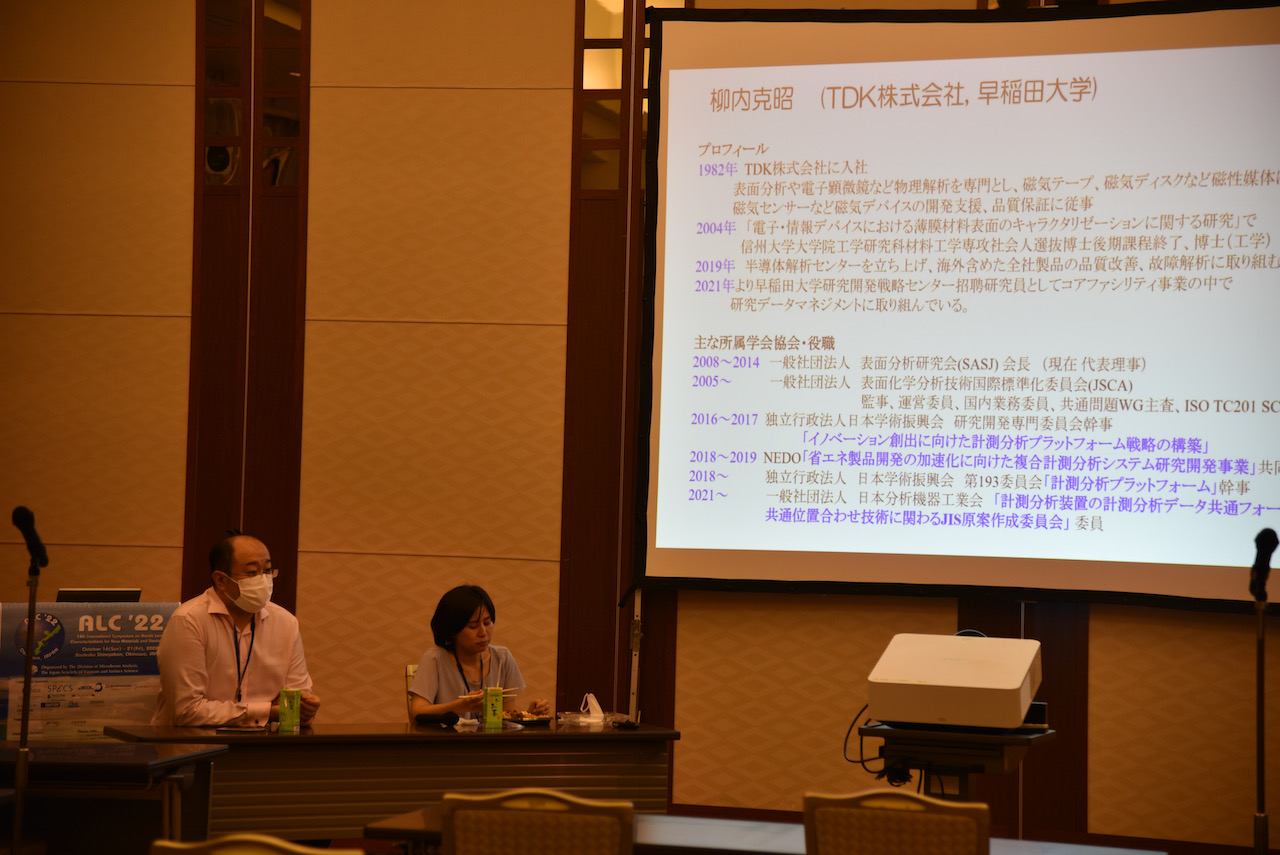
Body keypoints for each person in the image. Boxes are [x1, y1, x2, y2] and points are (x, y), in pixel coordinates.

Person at [152, 532, 321, 727]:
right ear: (221, 580)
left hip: (261, 742)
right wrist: (268, 712)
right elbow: (187, 710)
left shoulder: (286, 623)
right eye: (252, 573)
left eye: (267, 571)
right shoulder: (189, 621)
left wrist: (306, 709)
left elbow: (295, 704)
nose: (263, 580)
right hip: (192, 742)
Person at [408, 584, 549, 721]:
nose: (483, 632)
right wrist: (461, 706)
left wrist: (530, 714)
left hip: (490, 738)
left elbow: (505, 716)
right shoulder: (435, 658)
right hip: (446, 737)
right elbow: (417, 712)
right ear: (452, 630)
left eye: (487, 623)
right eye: (473, 626)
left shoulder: (502, 658)